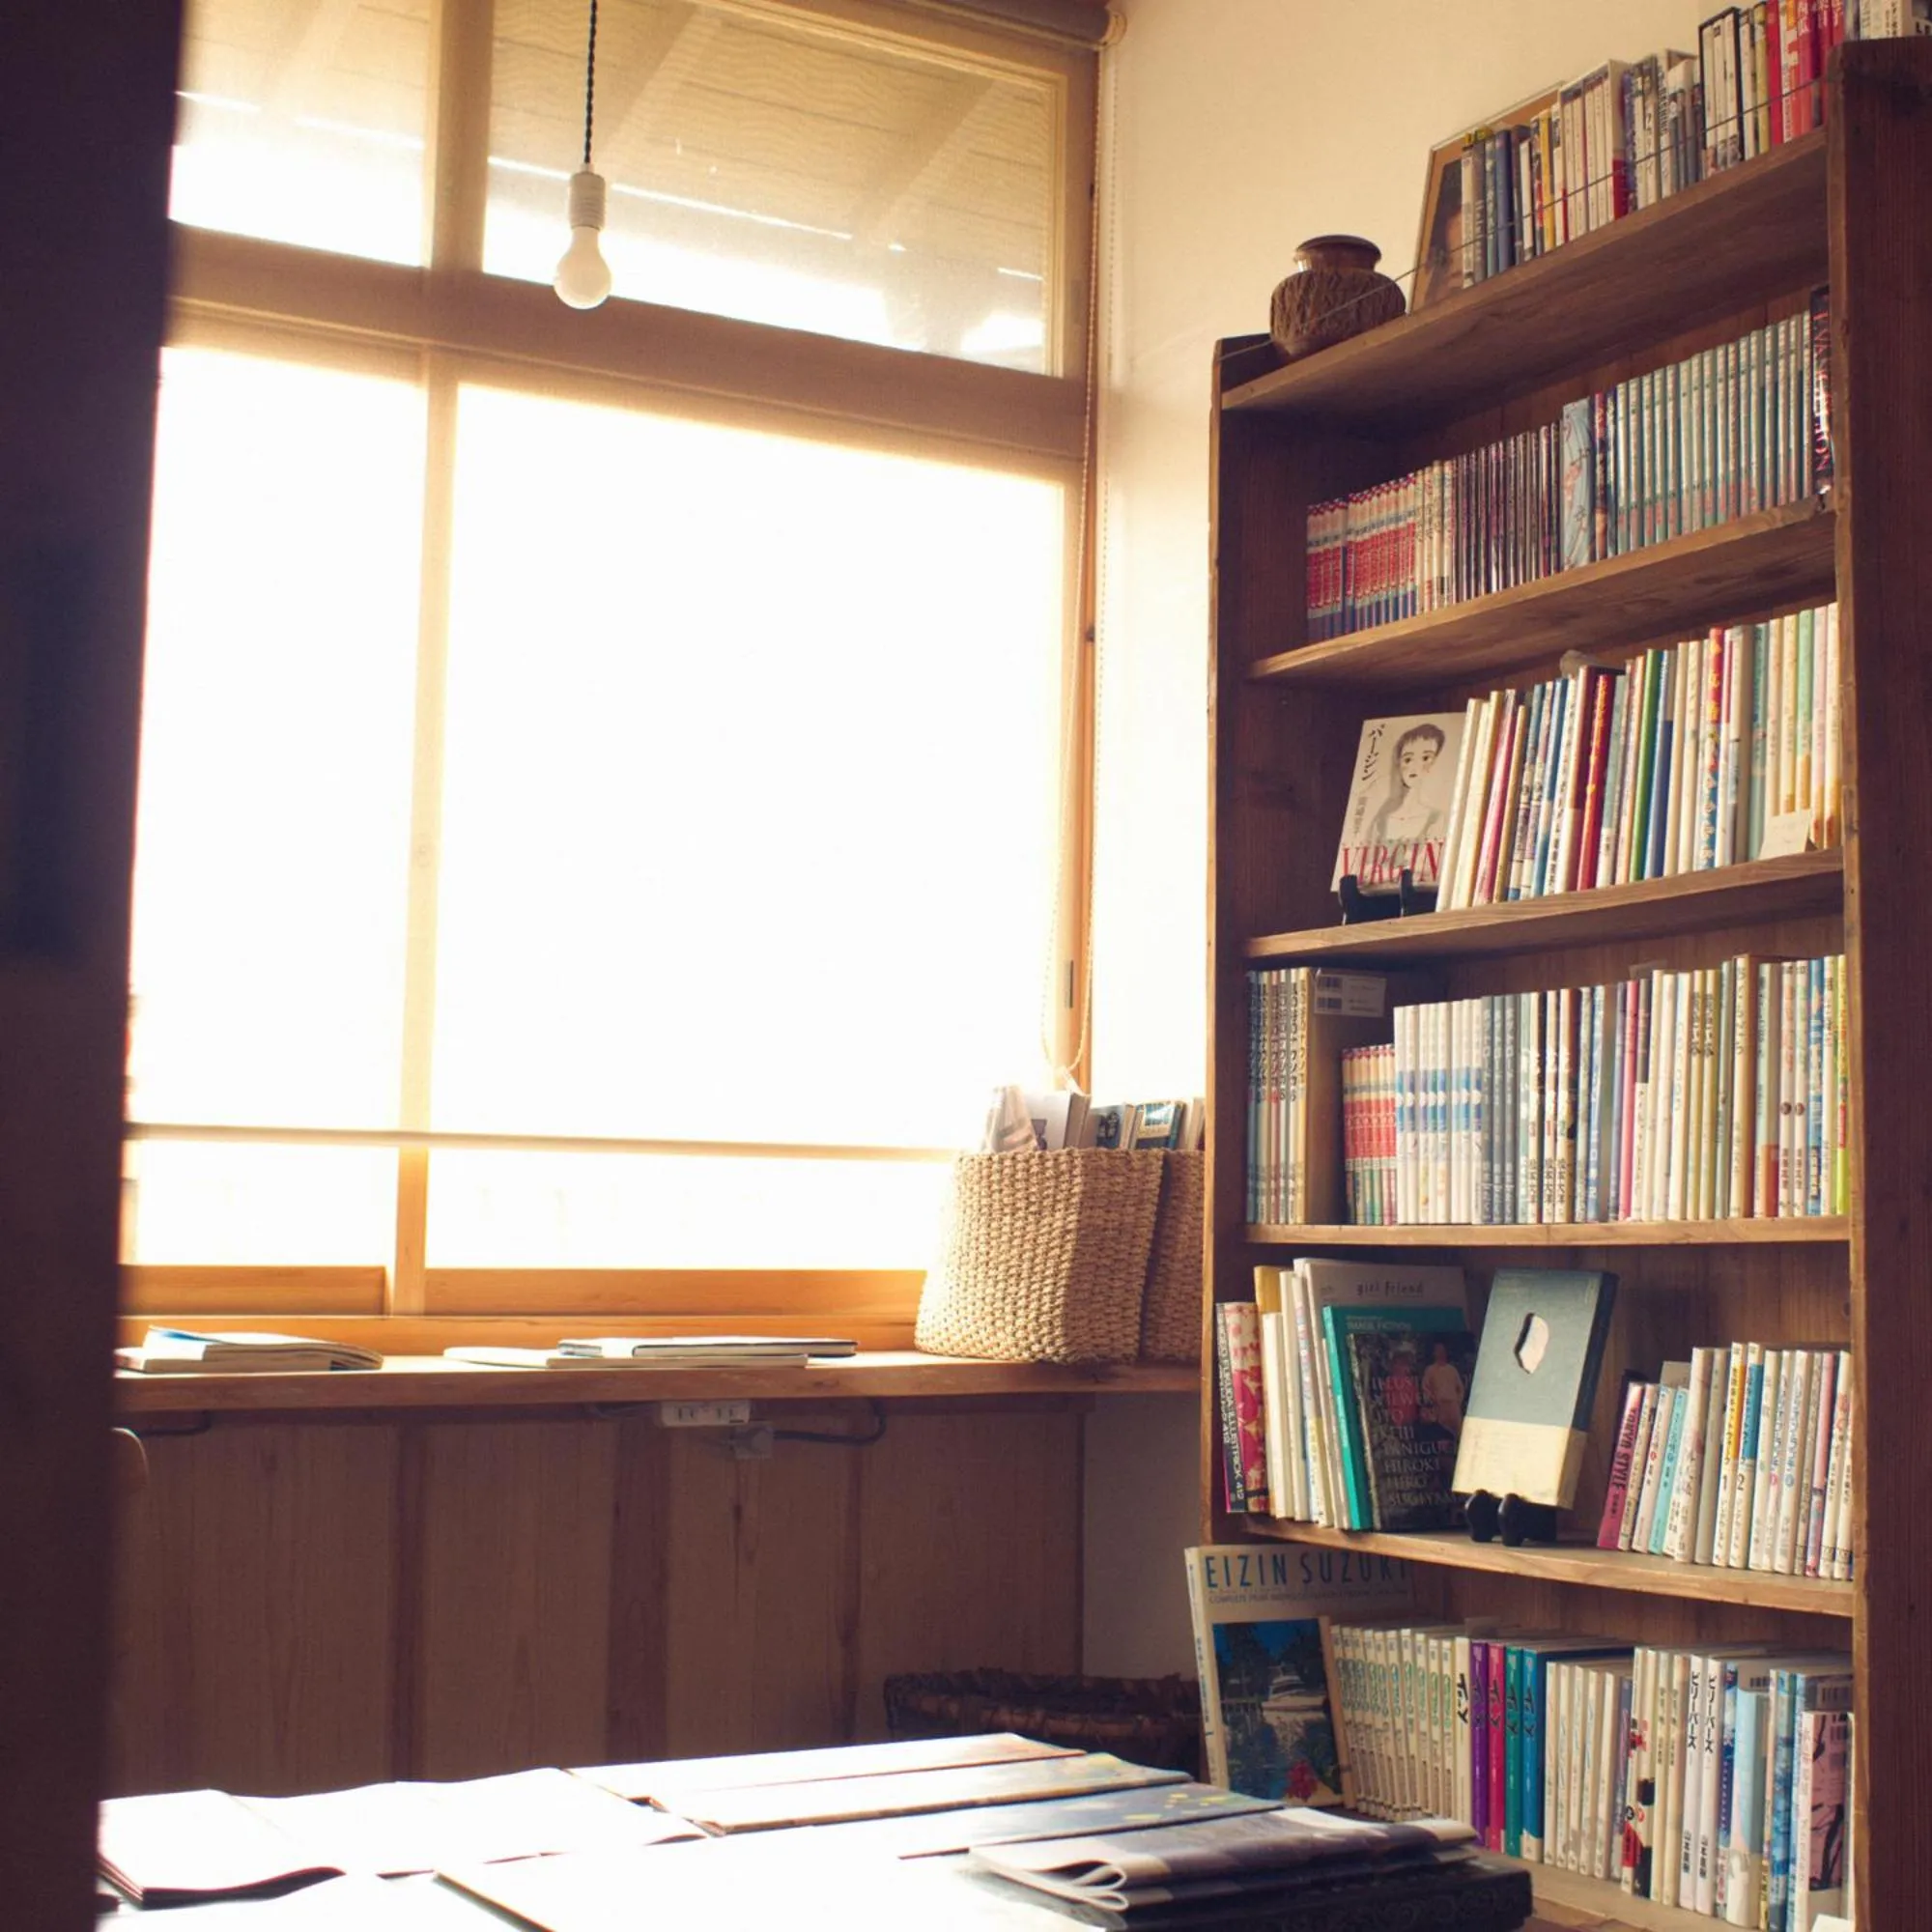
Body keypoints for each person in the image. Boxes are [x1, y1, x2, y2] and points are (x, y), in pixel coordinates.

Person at [1363, 722, 1447, 876]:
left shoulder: (1436, 819)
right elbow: (1365, 873)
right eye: (1408, 759)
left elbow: (1428, 871)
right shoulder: (1380, 822)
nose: (1415, 766)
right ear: (1399, 764)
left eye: (1426, 757)